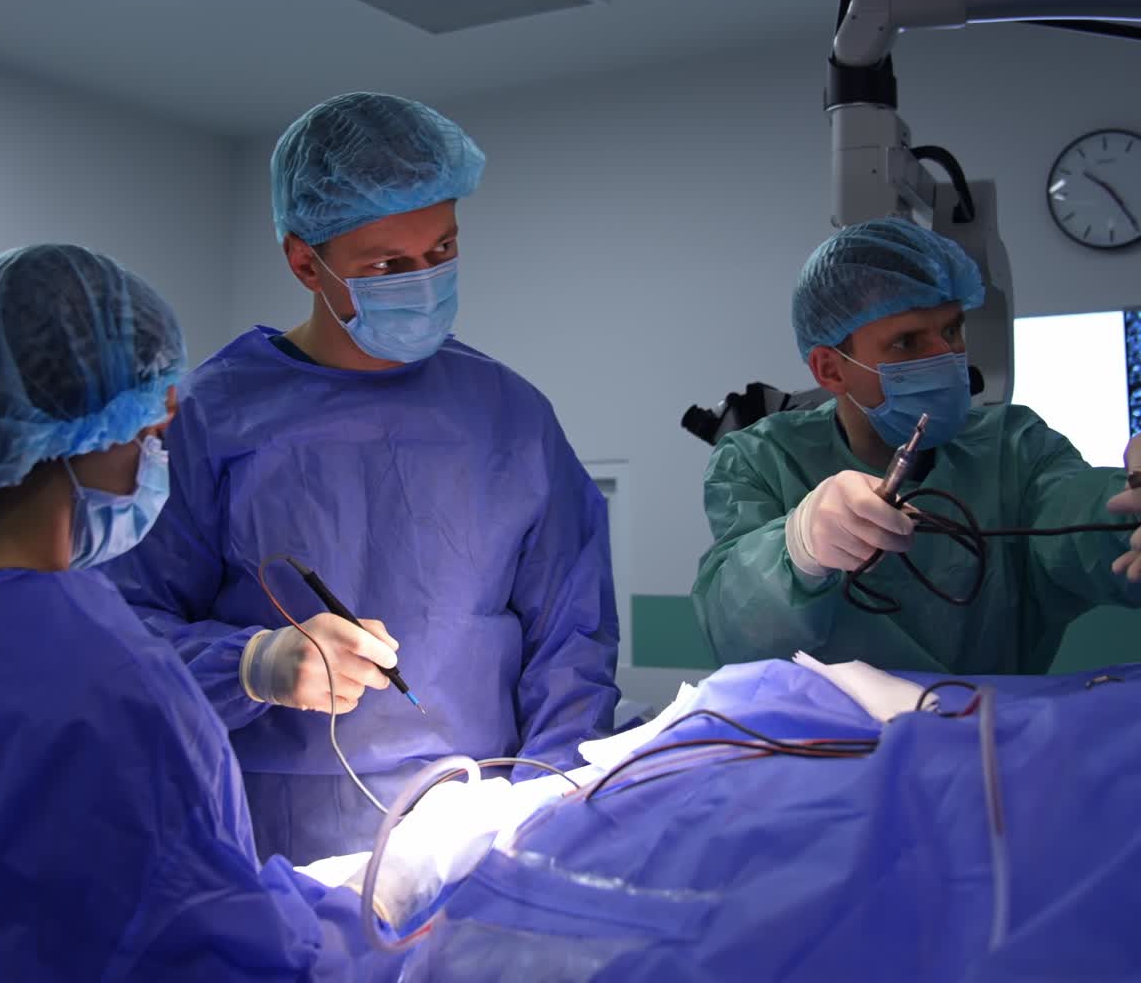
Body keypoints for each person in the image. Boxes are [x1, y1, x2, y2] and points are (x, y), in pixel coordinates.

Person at [0, 244, 470, 981]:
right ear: (91, 432)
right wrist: (384, 894)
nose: (167, 435)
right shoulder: (115, 689)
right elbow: (228, 954)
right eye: (152, 430)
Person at [105, 92, 620, 865]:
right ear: (304, 262)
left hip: (478, 829)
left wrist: (547, 815)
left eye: (443, 249)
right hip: (273, 840)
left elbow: (572, 643)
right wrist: (252, 664)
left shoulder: (510, 415)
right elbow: (121, 632)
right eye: (387, 266)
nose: (425, 280)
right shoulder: (209, 419)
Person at [692, 217, 1141, 673]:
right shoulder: (763, 460)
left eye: (951, 330)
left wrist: (1130, 514)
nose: (946, 357)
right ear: (830, 369)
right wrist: (799, 548)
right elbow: (735, 636)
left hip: (988, 718)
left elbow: (1076, 517)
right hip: (828, 722)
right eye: (906, 342)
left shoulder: (1014, 446)